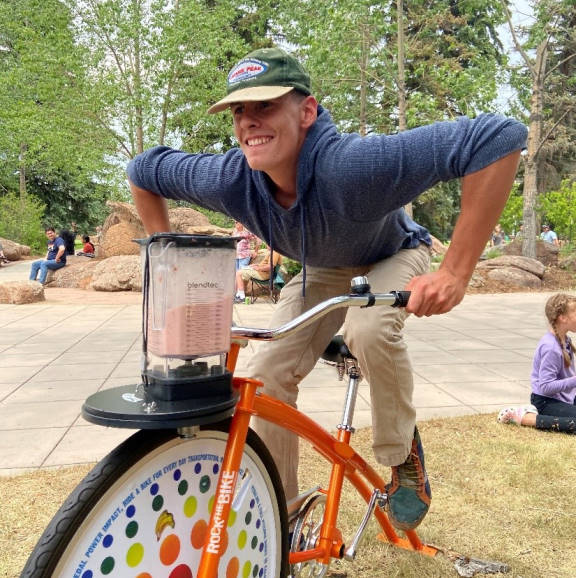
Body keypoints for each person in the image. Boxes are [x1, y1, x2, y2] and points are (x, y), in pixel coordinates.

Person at [127, 46, 527, 531]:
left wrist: (455, 272)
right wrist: (166, 271)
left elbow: (499, 137)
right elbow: (143, 169)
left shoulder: (352, 167)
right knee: (268, 369)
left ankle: (403, 459)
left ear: (308, 112)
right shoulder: (232, 178)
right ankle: (283, 513)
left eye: (265, 106)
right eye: (239, 112)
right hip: (322, 268)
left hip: (392, 254)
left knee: (370, 327)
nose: (249, 122)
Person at [498, 293, 576, 434]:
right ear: (562, 318)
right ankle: (526, 418)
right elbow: (545, 387)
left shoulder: (566, 340)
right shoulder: (551, 347)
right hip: (546, 401)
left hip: (566, 397)